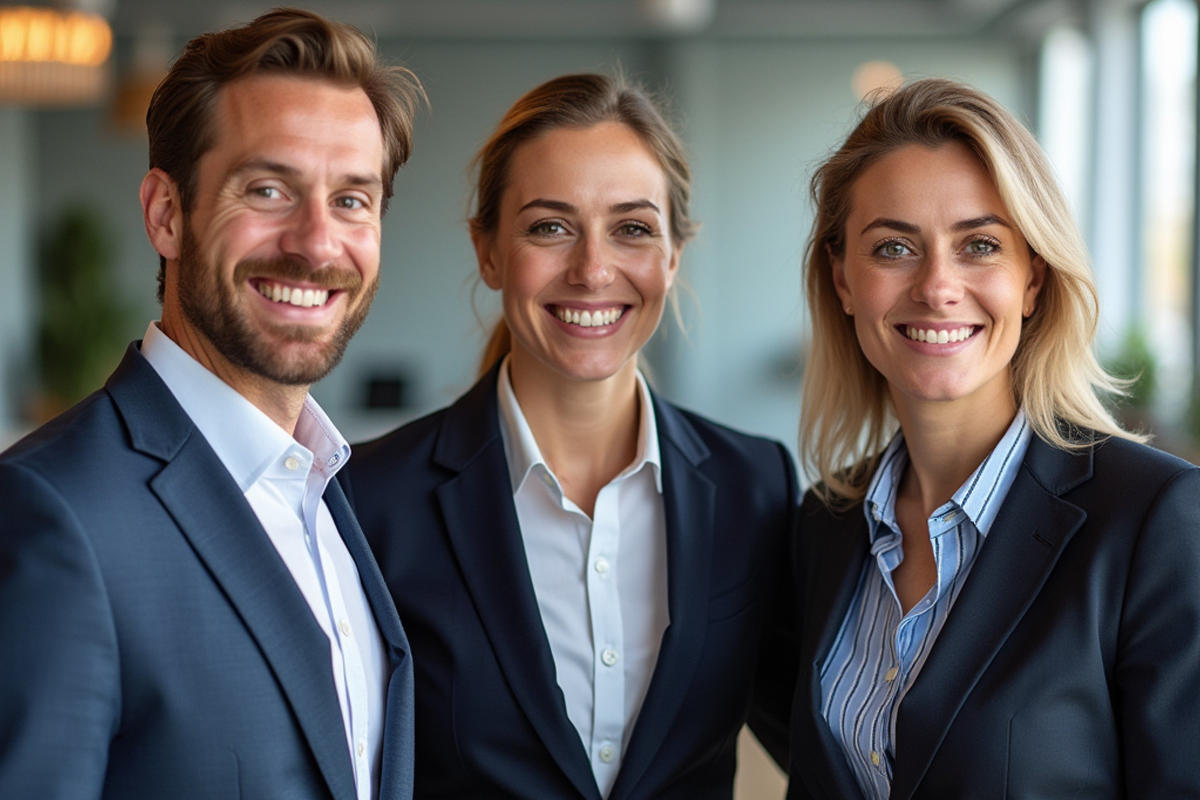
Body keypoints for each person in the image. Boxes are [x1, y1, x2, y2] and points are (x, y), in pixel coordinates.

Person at [0, 9, 424, 799]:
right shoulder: (53, 513)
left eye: (353, 201)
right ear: (167, 213)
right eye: (268, 189)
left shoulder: (332, 496)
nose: (317, 243)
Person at [340, 73, 797, 799]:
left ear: (673, 255)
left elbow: (829, 742)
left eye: (633, 228)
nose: (592, 268)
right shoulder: (370, 499)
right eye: (550, 226)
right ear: (488, 250)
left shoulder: (754, 485)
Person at [787, 77, 1200, 799]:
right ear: (843, 279)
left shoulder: (1153, 519)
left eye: (979, 245)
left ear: (1033, 279)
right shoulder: (825, 521)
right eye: (893, 248)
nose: (939, 286)